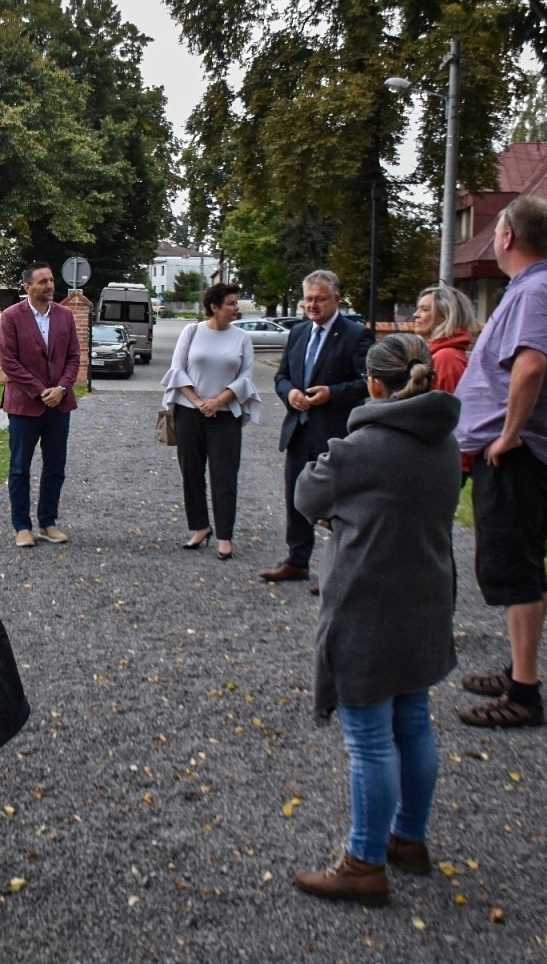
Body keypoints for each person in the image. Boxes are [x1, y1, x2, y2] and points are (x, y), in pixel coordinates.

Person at [292, 334, 462, 906]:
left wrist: (343, 515)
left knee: (369, 741)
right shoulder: (443, 440)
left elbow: (306, 493)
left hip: (369, 606)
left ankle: (363, 861)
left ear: (372, 384)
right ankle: (409, 840)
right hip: (427, 601)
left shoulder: (363, 446)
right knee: (414, 723)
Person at [454, 195, 547, 728]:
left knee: (515, 570)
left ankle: (524, 694)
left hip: (521, 456)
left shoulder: (535, 291)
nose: (492, 239)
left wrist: (508, 436)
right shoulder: (541, 287)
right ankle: (519, 672)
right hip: (522, 453)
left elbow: (531, 366)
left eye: (495, 231)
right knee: (522, 566)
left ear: (508, 237)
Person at [262, 270, 372, 590]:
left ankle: (337, 568)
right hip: (299, 430)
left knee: (336, 503)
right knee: (297, 497)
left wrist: (332, 394)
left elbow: (367, 382)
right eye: (307, 299)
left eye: (319, 299)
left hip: (335, 433)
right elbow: (281, 376)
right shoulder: (297, 333)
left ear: (337, 299)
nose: (312, 305)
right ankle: (297, 561)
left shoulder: (355, 335)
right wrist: (290, 394)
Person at [161, 282, 262, 559]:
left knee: (224, 475)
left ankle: (225, 536)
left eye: (236, 302)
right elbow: (177, 370)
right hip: (189, 412)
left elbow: (245, 377)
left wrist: (218, 402)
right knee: (191, 472)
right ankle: (199, 527)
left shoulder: (242, 338)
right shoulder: (191, 332)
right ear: (214, 307)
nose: (236, 308)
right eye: (231, 303)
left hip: (225, 415)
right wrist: (198, 402)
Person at [0, 262, 79, 548]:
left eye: (51, 280)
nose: (49, 285)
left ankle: (48, 522)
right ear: (27, 287)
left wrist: (60, 389)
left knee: (55, 466)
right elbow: (9, 362)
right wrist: (39, 390)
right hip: (24, 404)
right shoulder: (11, 317)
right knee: (20, 467)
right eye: (43, 281)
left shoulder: (66, 316)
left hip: (59, 403)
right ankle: (22, 526)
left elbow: (73, 358)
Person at [412, 283, 476, 394]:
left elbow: (448, 409)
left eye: (424, 309)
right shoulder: (442, 355)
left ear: (445, 316)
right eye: (417, 309)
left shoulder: (446, 359)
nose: (415, 314)